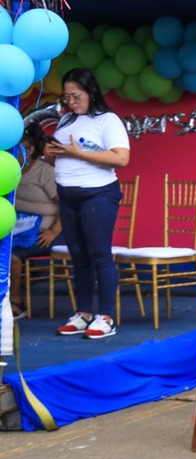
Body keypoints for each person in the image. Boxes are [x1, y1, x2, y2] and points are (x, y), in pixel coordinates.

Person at [44, 68, 130, 339]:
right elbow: (64, 158)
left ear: (91, 92)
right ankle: (82, 313)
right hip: (68, 195)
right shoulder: (65, 121)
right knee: (78, 258)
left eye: (76, 95)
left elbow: (121, 158)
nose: (71, 101)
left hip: (97, 193)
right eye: (66, 96)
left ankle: (105, 316)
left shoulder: (108, 120)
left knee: (99, 254)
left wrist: (79, 153)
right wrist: (50, 154)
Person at [9, 124, 65, 320]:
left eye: (16, 149)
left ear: (30, 150)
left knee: (12, 257)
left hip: (48, 232)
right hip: (17, 229)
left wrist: (54, 231)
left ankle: (16, 304)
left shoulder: (44, 172)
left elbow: (65, 204)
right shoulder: (8, 172)